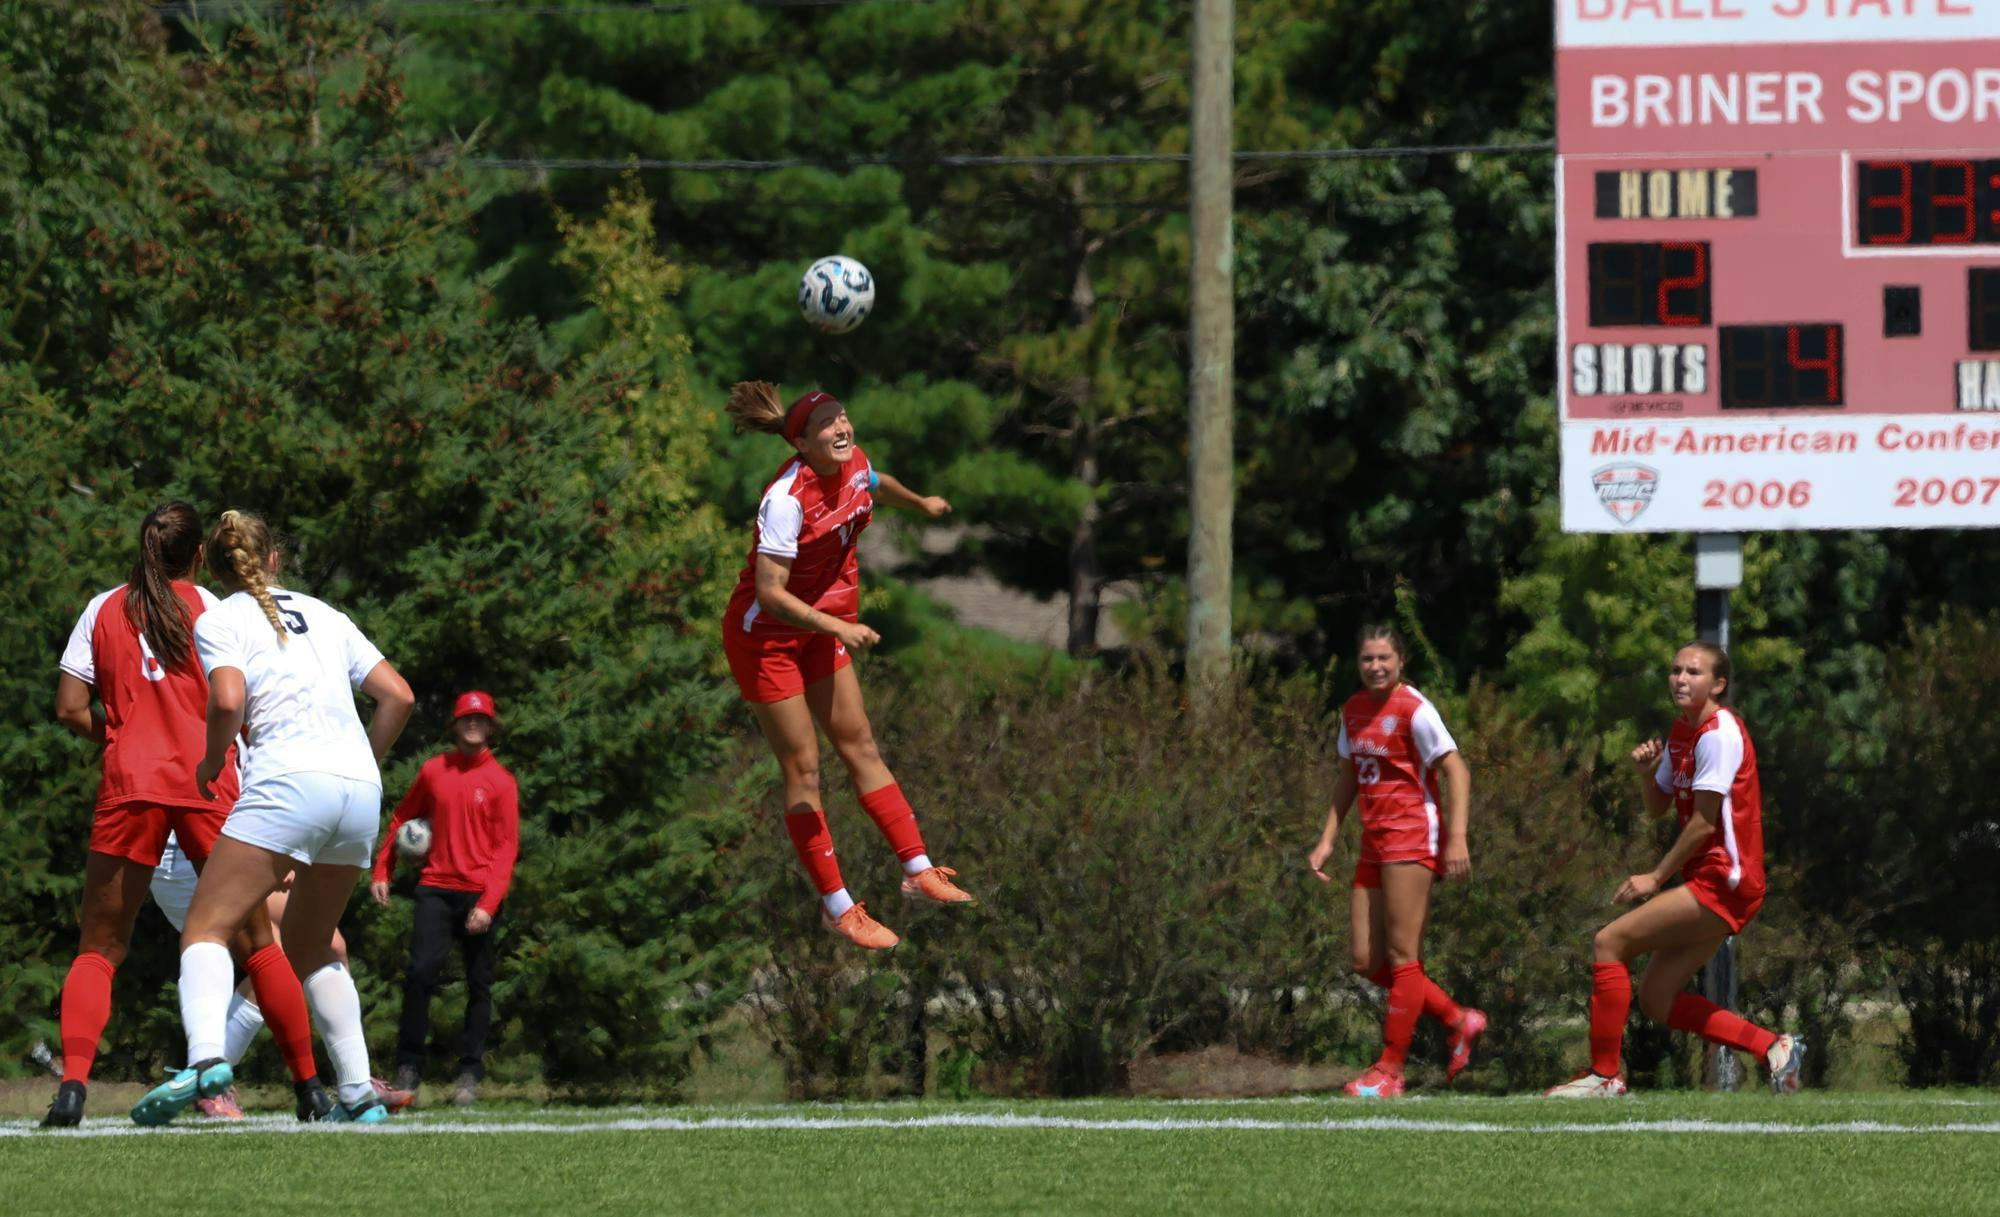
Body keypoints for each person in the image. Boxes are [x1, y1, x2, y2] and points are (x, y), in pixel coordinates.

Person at [42, 502, 328, 1128]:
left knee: (98, 949)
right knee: (256, 946)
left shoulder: (102, 608)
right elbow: (246, 699)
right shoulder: (217, 609)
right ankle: (310, 1089)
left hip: (131, 786)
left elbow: (69, 707)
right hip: (208, 784)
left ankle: (70, 1090)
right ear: (199, 555)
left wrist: (119, 732)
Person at [130, 510, 414, 1126]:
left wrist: (210, 762)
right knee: (313, 946)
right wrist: (361, 760)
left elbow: (228, 699)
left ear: (212, 565)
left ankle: (207, 1063)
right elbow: (399, 696)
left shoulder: (222, 617)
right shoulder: (329, 616)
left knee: (205, 929)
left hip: (288, 780)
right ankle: (360, 1091)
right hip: (360, 787)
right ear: (274, 559)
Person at [720, 382, 973, 950]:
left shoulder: (854, 463)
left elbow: (876, 484)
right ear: (802, 442)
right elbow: (769, 592)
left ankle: (917, 868)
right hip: (766, 640)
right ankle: (838, 907)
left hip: (819, 629)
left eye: (844, 416)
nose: (842, 428)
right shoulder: (784, 499)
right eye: (827, 424)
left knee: (860, 744)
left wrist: (923, 503)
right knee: (804, 768)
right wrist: (838, 626)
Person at [1545, 641, 1806, 1098]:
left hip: (1726, 880)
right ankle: (1773, 1047)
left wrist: (1655, 877)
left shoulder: (1719, 733)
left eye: (1694, 672)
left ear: (1718, 684)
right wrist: (1648, 775)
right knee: (1656, 999)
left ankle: (1604, 1077)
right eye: (1676, 670)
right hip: (1714, 882)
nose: (1681, 679)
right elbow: (1657, 809)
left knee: (1610, 942)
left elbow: (1705, 823)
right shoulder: (1683, 731)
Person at [1308, 624, 1485, 1098]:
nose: (1376, 666)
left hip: (1412, 836)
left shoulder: (1414, 709)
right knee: (1366, 960)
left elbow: (1456, 769)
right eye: (1368, 659)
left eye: (1384, 658)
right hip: (1373, 840)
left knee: (1405, 958)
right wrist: (1327, 839)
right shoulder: (1353, 710)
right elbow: (1349, 777)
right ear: (1358, 663)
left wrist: (1458, 838)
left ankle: (1390, 1071)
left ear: (1400, 661)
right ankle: (1456, 1018)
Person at [148, 838, 415, 1117]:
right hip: (193, 855)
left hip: (230, 845)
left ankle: (356, 1078)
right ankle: (208, 1075)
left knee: (324, 945)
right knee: (279, 956)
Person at [372, 690, 520, 1107]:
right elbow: (402, 816)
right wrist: (383, 867)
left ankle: (469, 1074)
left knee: (479, 984)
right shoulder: (435, 771)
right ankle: (409, 1069)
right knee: (420, 974)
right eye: (465, 718)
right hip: (436, 888)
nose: (473, 724)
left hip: (479, 895)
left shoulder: (501, 782)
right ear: (455, 725)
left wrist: (488, 905)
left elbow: (506, 847)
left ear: (490, 726)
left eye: (480, 719)